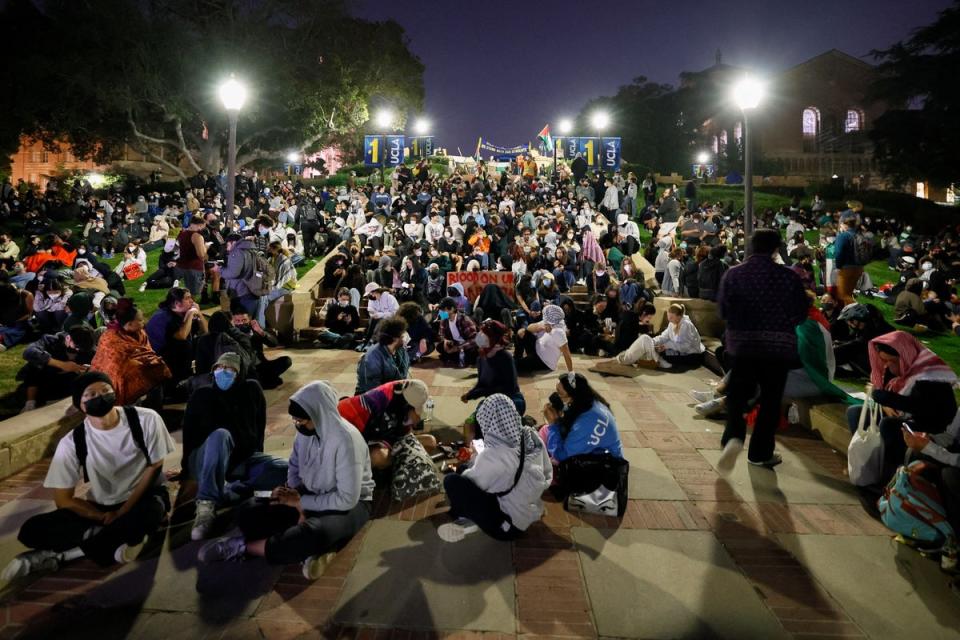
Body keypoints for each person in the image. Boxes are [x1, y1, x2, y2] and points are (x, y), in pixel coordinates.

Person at [2, 372, 174, 580]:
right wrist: (101, 516)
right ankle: (111, 540)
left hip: (143, 498)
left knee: (149, 513)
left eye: (105, 391)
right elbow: (63, 499)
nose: (100, 397)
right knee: (31, 530)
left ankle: (58, 556)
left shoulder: (145, 419)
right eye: (91, 394)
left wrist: (122, 512)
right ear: (80, 405)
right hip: (101, 506)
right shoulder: (73, 441)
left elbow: (155, 465)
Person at [197, 381, 373, 580]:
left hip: (351, 505)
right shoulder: (305, 433)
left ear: (319, 415)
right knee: (248, 511)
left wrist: (301, 503)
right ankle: (313, 549)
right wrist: (293, 495)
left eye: (303, 421)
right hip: (308, 495)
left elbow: (347, 499)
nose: (298, 425)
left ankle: (244, 547)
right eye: (295, 421)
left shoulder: (346, 440)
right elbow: (295, 466)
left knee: (312, 532)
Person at [716, 229, 808, 472]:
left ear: (751, 246)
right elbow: (800, 313)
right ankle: (760, 453)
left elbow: (723, 311)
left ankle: (733, 437)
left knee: (737, 395)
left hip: (743, 347)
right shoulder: (789, 278)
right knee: (770, 401)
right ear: (776, 249)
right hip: (777, 351)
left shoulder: (734, 275)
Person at [184, 352, 287, 540]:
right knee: (221, 435)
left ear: (239, 373)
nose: (223, 372)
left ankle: (231, 490)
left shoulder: (251, 390)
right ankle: (206, 503)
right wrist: (186, 471)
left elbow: (258, 427)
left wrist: (258, 456)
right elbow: (189, 435)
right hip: (207, 458)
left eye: (230, 369)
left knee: (285, 470)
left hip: (241, 458)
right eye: (219, 368)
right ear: (213, 370)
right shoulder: (202, 394)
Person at [846, 332, 958, 485]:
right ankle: (866, 467)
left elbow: (923, 409)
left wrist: (886, 399)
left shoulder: (930, 376)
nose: (885, 366)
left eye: (890, 361)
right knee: (855, 413)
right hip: (906, 417)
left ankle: (889, 480)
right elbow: (885, 394)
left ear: (904, 356)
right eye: (883, 361)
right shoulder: (903, 369)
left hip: (932, 426)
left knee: (890, 425)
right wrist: (885, 403)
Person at [439, 394, 552, 542]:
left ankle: (463, 516)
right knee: (469, 472)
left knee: (452, 480)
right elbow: (547, 474)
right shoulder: (530, 436)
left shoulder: (493, 457)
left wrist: (474, 459)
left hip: (508, 526)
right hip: (528, 509)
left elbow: (471, 482)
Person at [90, 298, 171, 406]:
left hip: (136, 370)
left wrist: (149, 363)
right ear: (129, 324)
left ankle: (153, 408)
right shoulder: (110, 339)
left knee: (157, 371)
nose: (145, 321)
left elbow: (146, 352)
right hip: (114, 378)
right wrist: (144, 364)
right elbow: (116, 367)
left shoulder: (139, 332)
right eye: (141, 320)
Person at [542, 372, 623, 465]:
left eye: (560, 393)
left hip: (605, 468)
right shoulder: (590, 402)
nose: (557, 397)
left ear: (572, 396)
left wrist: (553, 424)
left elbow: (560, 455)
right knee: (546, 431)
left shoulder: (586, 423)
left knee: (545, 436)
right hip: (604, 455)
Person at [19, 325, 96, 413]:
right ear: (68, 338)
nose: (79, 350)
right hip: (46, 375)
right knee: (35, 363)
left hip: (68, 379)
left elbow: (96, 360)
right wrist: (62, 365)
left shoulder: (86, 347)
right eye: (77, 347)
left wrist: (88, 368)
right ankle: (30, 403)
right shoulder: (50, 340)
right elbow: (29, 352)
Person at [145, 287, 208, 386]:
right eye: (187, 298)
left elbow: (206, 331)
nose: (192, 301)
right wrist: (191, 314)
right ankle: (182, 380)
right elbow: (181, 336)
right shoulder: (165, 317)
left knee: (207, 340)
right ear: (177, 303)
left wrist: (199, 314)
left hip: (172, 352)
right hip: (161, 358)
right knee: (186, 345)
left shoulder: (179, 312)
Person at [461, 320, 525, 415]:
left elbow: (508, 387)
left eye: (484, 333)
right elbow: (481, 383)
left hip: (511, 400)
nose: (480, 335)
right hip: (492, 400)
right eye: (481, 331)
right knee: (476, 419)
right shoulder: (481, 358)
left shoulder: (505, 357)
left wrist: (478, 393)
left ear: (493, 338)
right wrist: (470, 394)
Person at [355, 316, 410, 395]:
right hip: (372, 398)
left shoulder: (401, 351)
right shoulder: (372, 357)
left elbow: (402, 377)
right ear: (395, 338)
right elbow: (373, 391)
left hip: (393, 391)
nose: (406, 336)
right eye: (403, 334)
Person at [219, 232, 260, 317]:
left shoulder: (237, 253)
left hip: (242, 292)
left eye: (227, 245)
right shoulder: (250, 250)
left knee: (241, 319)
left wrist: (220, 270)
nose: (227, 248)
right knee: (249, 318)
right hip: (251, 291)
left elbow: (233, 273)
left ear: (233, 242)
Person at [438, 296, 478, 366]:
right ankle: (455, 357)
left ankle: (456, 358)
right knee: (440, 347)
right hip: (454, 343)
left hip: (465, 345)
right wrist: (445, 341)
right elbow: (441, 334)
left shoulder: (464, 319)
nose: (442, 312)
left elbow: (474, 339)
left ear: (452, 309)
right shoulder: (444, 318)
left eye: (444, 309)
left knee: (473, 352)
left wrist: (458, 348)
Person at [359, 282, 399, 351]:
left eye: (371, 293)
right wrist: (374, 315)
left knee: (378, 321)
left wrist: (380, 315)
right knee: (372, 320)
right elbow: (370, 310)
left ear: (376, 291)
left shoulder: (389, 298)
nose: (370, 295)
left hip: (390, 321)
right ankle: (366, 341)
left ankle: (371, 342)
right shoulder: (372, 299)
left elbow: (395, 312)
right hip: (377, 320)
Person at [174, 214, 208, 296]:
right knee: (192, 295)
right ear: (200, 225)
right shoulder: (197, 236)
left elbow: (176, 249)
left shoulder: (181, 234)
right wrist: (206, 247)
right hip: (194, 268)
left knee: (185, 293)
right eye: (203, 227)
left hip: (182, 267)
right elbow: (201, 255)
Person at [834, 211, 862, 306]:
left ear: (844, 224)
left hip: (846, 268)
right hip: (858, 268)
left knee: (841, 295)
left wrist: (838, 266)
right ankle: (848, 315)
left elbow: (838, 253)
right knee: (848, 293)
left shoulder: (843, 236)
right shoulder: (859, 235)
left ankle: (859, 309)